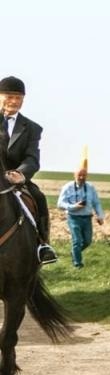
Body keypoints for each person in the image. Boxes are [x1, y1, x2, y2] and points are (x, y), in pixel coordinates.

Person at [0, 76, 59, 265]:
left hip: (15, 179)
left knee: (39, 197)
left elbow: (32, 158)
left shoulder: (32, 128)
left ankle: (43, 245)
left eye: (18, 98)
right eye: (9, 96)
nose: (14, 101)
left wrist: (21, 174)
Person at [56, 165, 105, 268]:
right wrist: (74, 206)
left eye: (84, 175)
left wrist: (100, 216)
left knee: (87, 241)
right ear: (74, 175)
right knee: (77, 241)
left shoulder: (91, 187)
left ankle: (75, 252)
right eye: (79, 175)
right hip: (73, 218)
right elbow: (60, 204)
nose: (82, 177)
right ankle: (78, 264)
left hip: (87, 218)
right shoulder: (67, 187)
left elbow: (96, 203)